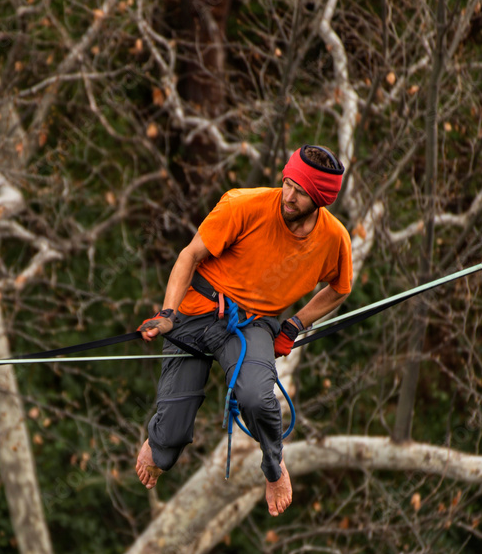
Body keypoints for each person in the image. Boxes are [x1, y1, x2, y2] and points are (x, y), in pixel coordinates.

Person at [136, 144, 353, 516]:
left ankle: (273, 465)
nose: (288, 196)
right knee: (167, 444)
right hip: (195, 312)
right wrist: (168, 314)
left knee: (255, 396)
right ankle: (159, 441)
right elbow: (189, 255)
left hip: (253, 323)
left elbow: (339, 289)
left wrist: (296, 324)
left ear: (320, 199)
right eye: (287, 184)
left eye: (300, 192)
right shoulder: (243, 205)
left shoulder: (334, 239)